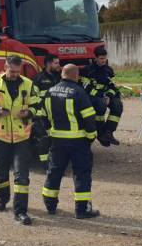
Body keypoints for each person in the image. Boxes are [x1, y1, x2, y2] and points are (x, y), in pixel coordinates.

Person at [0, 55, 41, 225]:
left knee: (22, 175)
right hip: (0, 136)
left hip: (22, 137)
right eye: (11, 71)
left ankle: (20, 212)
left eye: (17, 71)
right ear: (5, 67)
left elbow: (37, 106)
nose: (14, 74)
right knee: (1, 173)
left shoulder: (28, 84)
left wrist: (29, 113)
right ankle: (3, 199)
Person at [41, 64, 101, 219]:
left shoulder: (49, 91)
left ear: (62, 74)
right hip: (78, 141)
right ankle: (82, 210)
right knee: (82, 174)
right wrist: (91, 136)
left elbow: (42, 116)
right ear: (76, 75)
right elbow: (89, 118)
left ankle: (50, 206)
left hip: (57, 141)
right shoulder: (79, 92)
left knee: (54, 171)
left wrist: (50, 131)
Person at [83, 47, 122, 146]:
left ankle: (108, 132)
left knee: (117, 105)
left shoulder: (109, 70)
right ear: (95, 58)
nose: (103, 60)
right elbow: (86, 87)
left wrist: (108, 96)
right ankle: (100, 133)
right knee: (101, 106)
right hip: (92, 96)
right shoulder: (87, 70)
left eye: (105, 58)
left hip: (106, 95)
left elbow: (113, 86)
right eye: (101, 58)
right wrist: (101, 96)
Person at [32, 54, 62, 164]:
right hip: (41, 116)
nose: (59, 65)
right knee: (44, 138)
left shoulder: (59, 77)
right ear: (48, 64)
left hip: (56, 115)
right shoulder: (39, 78)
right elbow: (33, 97)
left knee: (56, 138)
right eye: (56, 63)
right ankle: (45, 164)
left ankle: (56, 162)